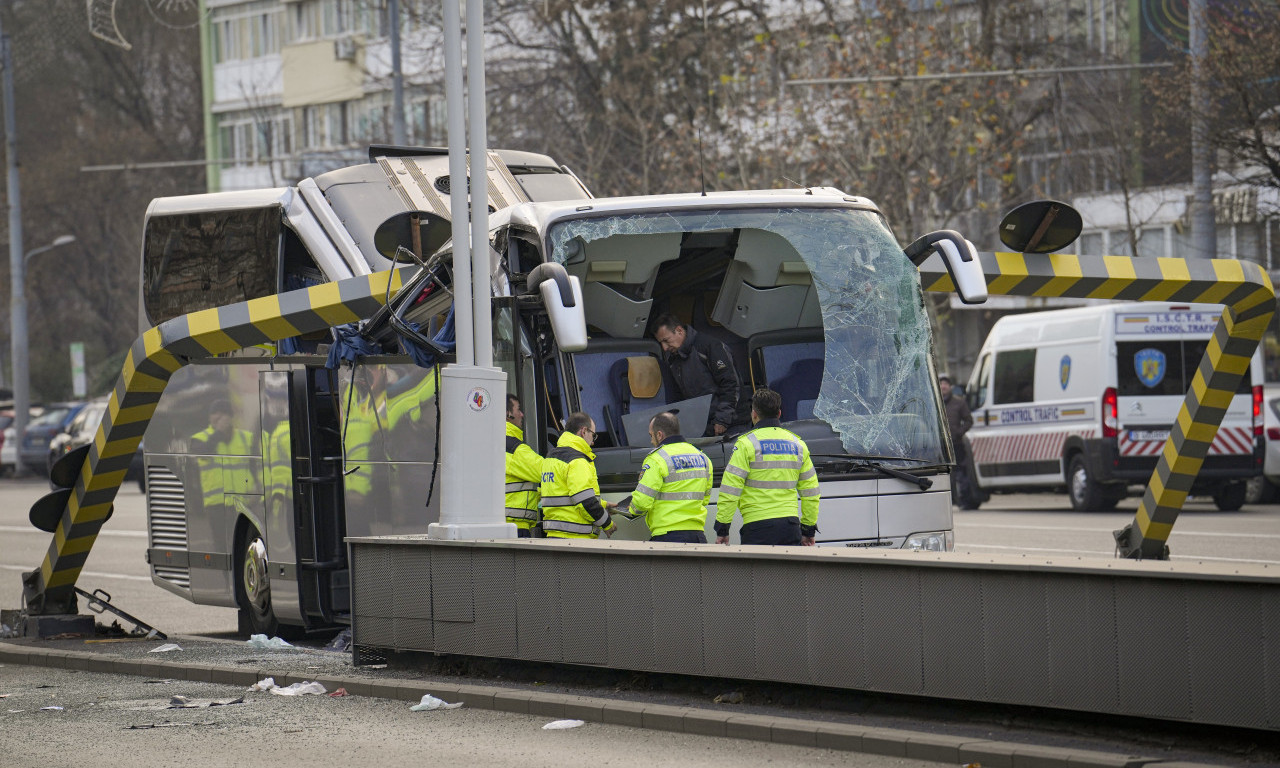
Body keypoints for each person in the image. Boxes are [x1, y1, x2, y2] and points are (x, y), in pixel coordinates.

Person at [714, 388, 819, 546]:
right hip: (790, 527)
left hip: (757, 527)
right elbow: (811, 492)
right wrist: (808, 529)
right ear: (779, 414)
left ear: (754, 414)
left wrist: (723, 528)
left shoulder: (746, 444)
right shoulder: (798, 444)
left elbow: (730, 489)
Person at [621, 411, 712, 543]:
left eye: (651, 435)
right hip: (698, 536)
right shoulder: (703, 457)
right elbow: (704, 499)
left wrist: (629, 509)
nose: (651, 441)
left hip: (667, 537)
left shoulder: (657, 458)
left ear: (659, 434)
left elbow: (641, 503)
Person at [652, 313, 746, 437]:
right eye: (660, 343)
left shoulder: (710, 347)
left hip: (732, 425)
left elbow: (731, 384)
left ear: (679, 331)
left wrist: (722, 420)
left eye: (666, 340)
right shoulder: (673, 359)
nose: (664, 348)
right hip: (703, 427)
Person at [539, 411, 617, 539]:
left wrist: (603, 505)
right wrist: (607, 524)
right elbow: (585, 501)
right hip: (575, 539)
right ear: (583, 431)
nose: (592, 442)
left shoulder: (550, 458)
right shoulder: (577, 461)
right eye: (593, 435)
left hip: (553, 536)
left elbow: (566, 496)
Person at [938, 374, 980, 509]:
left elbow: (969, 420)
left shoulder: (959, 402)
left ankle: (965, 501)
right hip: (940, 445)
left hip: (956, 444)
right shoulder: (935, 402)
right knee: (943, 475)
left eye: (946, 384)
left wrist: (959, 432)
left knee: (962, 474)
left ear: (950, 387)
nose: (943, 386)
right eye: (941, 383)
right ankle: (947, 502)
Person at [504, 394, 543, 537]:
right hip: (515, 528)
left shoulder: (490, 442)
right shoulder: (515, 449)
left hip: (500, 524)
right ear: (508, 414)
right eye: (518, 409)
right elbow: (546, 471)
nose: (522, 414)